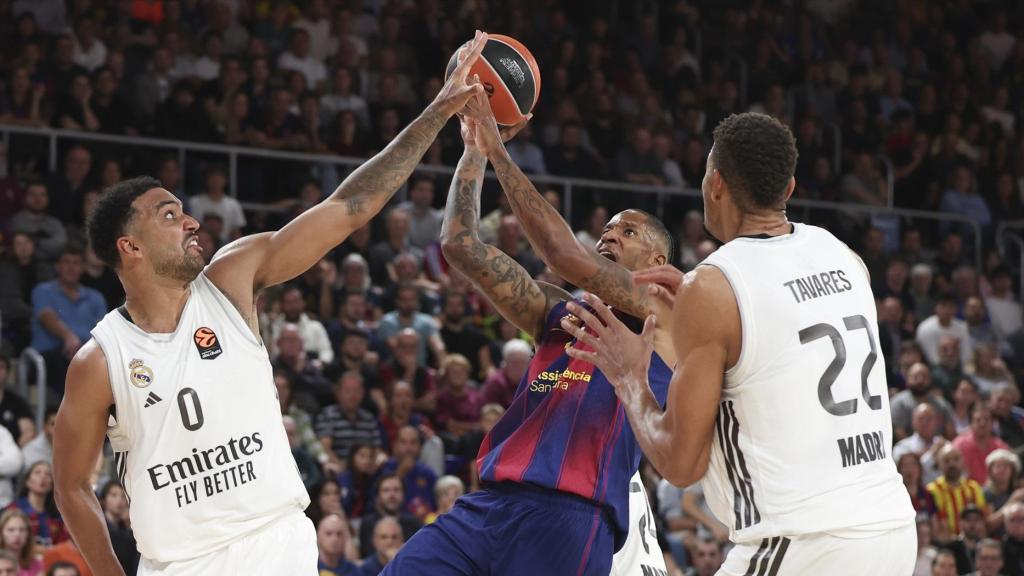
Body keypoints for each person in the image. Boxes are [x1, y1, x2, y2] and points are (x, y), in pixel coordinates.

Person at [51, 31, 489, 576]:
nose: (190, 221)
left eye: (185, 210)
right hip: (182, 564)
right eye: (168, 215)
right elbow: (71, 486)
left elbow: (348, 208)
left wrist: (436, 113)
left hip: (277, 544)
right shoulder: (100, 360)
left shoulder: (233, 278)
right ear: (130, 247)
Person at [562, 112, 916, 573]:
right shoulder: (843, 255)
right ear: (788, 190)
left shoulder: (715, 284)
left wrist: (630, 377)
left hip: (803, 543)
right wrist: (695, 299)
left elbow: (680, 463)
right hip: (892, 528)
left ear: (715, 185)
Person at [386, 84, 675, 576]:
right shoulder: (557, 312)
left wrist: (500, 148)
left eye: (627, 232)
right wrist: (474, 149)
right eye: (606, 228)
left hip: (571, 518)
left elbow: (565, 255)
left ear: (658, 261)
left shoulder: (664, 315)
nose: (609, 235)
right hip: (490, 505)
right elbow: (460, 247)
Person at [0, 508, 42, 575]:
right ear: (1, 533)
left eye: (22, 530)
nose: (17, 534)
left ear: (28, 534)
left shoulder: (37, 564)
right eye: (11, 530)